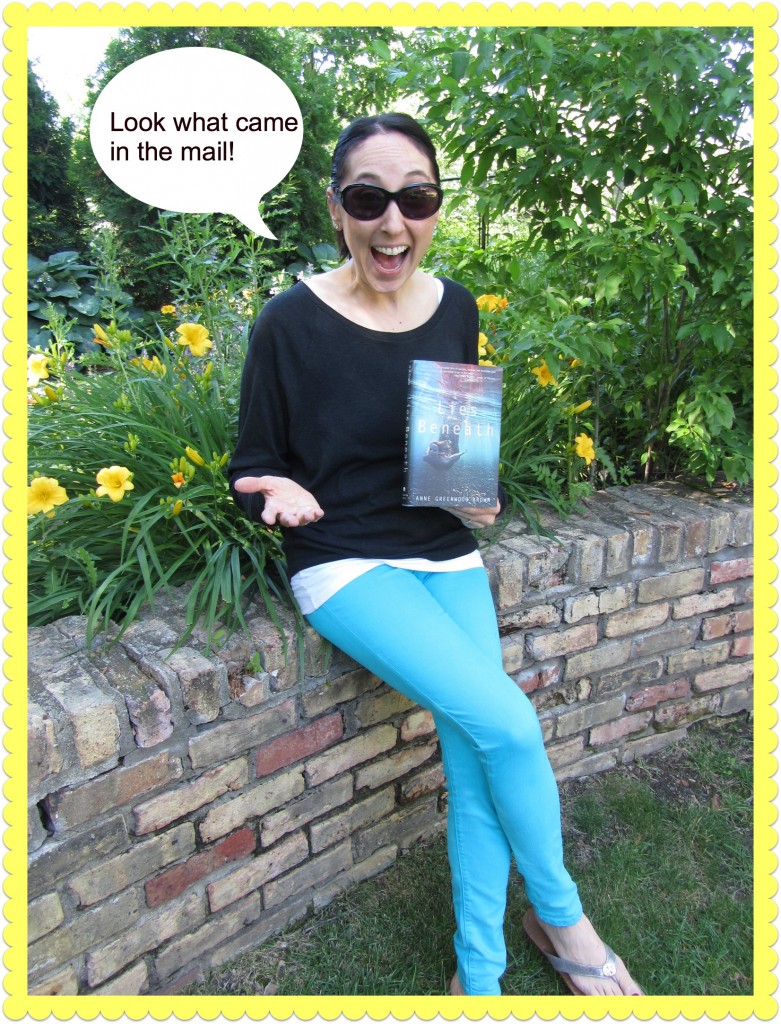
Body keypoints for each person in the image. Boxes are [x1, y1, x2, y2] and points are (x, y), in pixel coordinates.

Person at [228, 112, 643, 998]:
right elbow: (251, 462)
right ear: (334, 205)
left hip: (441, 549)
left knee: (472, 745)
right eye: (368, 198)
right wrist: (280, 490)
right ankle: (566, 920)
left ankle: (478, 979)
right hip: (342, 560)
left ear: (434, 206)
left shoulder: (453, 306)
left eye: (415, 198)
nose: (393, 222)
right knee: (508, 723)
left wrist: (474, 487)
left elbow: (449, 445)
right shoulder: (287, 322)